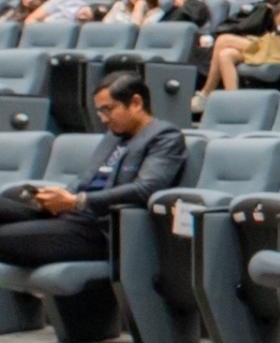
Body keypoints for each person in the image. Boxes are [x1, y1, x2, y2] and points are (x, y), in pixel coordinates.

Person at [0, 74, 185, 268]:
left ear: (136, 103)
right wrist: (55, 198)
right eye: (99, 112)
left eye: (108, 109)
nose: (103, 119)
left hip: (99, 228)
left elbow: (146, 189)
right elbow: (86, 178)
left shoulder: (165, 136)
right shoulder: (113, 136)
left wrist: (78, 201)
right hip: (72, 214)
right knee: (13, 196)